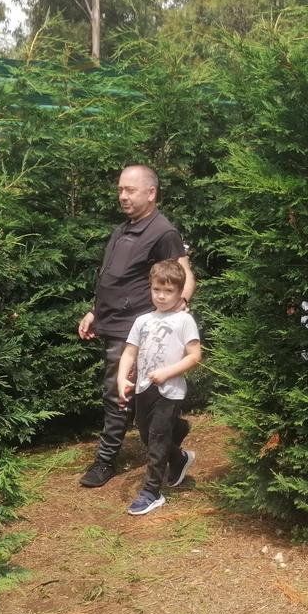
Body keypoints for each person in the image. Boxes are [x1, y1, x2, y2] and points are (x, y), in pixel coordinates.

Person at [78, 164, 195, 488]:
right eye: (120, 189)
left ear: (151, 193)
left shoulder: (162, 232)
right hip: (112, 323)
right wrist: (95, 312)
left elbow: (185, 277)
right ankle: (175, 435)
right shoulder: (124, 229)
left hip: (135, 328)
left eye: (130, 190)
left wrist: (175, 317)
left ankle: (105, 462)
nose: (123, 196)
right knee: (140, 400)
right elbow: (116, 279)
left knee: (118, 396)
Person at [116, 260, 201, 514]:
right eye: (156, 290)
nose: (162, 296)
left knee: (157, 439)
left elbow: (194, 356)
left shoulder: (184, 321)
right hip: (144, 389)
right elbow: (130, 353)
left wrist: (167, 373)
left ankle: (151, 492)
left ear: (179, 292)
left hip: (170, 390)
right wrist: (122, 378)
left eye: (169, 291)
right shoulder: (142, 321)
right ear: (150, 288)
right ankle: (179, 456)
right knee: (146, 434)